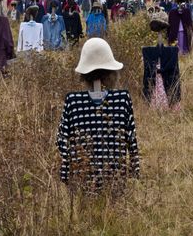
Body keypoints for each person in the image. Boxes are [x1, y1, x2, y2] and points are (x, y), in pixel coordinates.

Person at [56, 38, 140, 191]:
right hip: (115, 182)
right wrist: (135, 170)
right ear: (111, 72)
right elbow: (131, 138)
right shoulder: (121, 100)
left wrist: (66, 175)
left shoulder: (73, 102)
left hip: (81, 184)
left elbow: (62, 141)